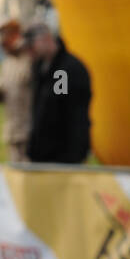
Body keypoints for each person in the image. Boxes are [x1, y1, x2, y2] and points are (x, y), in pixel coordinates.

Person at [24, 22, 91, 164]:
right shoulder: (40, 67)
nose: (29, 52)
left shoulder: (63, 71)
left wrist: (72, 155)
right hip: (43, 153)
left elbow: (60, 109)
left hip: (62, 154)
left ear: (47, 39)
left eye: (31, 46)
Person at [0, 19, 33, 163]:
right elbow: (1, 95)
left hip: (30, 132)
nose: (2, 47)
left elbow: (57, 88)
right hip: (13, 132)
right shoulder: (7, 63)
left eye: (5, 42)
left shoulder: (31, 60)